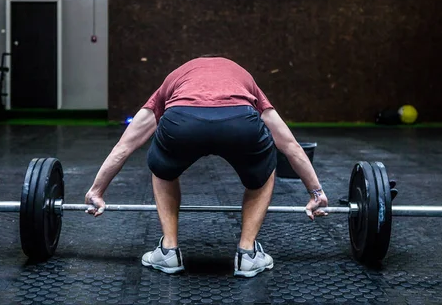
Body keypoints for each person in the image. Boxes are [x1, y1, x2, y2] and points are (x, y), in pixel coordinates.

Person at [84, 56, 328, 278]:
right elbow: (290, 145)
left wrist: (97, 191)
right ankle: (247, 255)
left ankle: (168, 251)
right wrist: (316, 193)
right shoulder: (243, 78)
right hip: (239, 121)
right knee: (264, 173)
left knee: (163, 169)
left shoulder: (174, 79)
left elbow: (124, 146)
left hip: (181, 121)